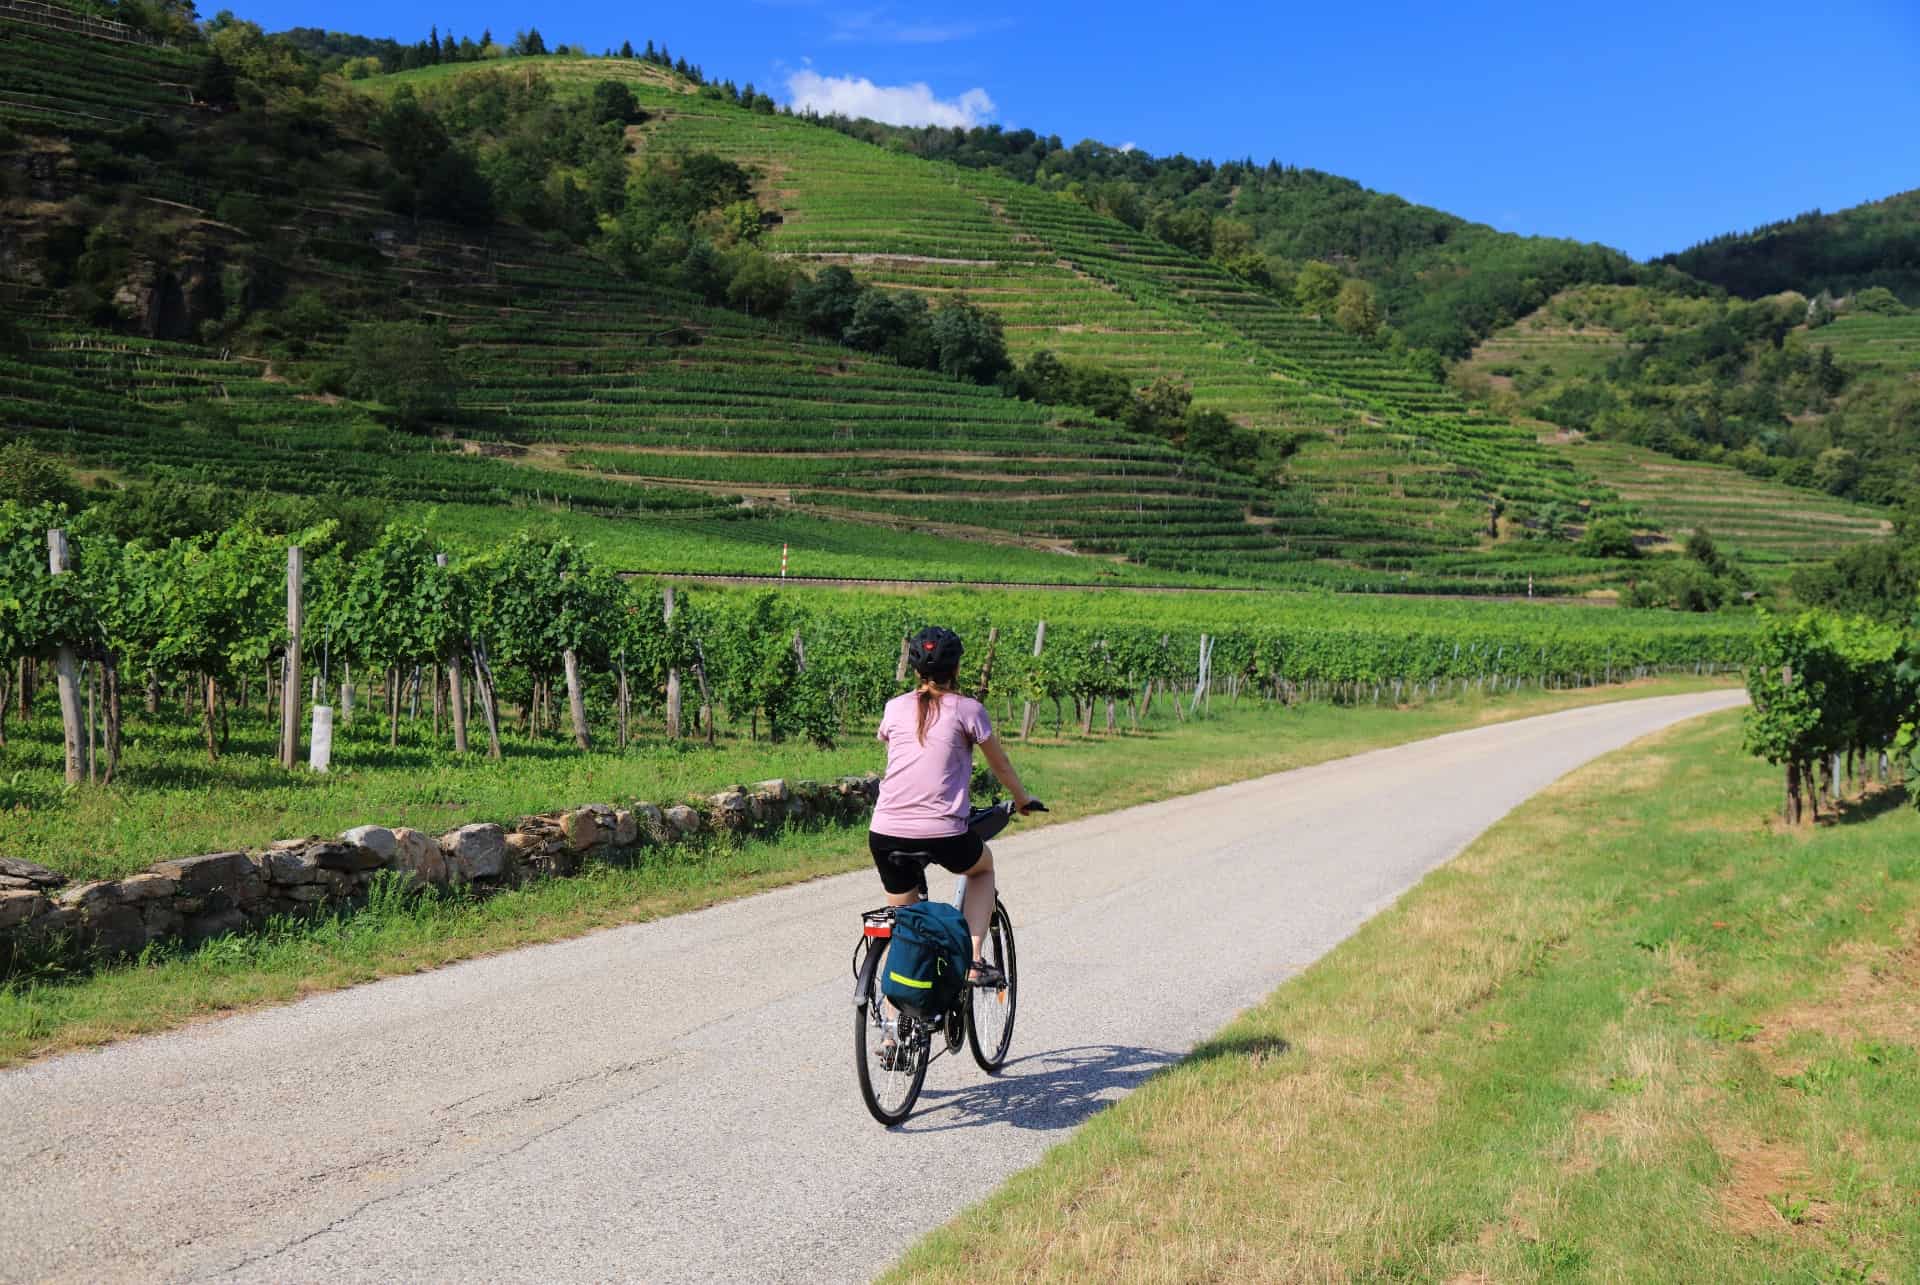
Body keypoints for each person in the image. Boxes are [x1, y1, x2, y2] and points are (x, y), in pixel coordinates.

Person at [869, 625, 1037, 981]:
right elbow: (1000, 764)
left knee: (906, 925)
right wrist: (1022, 800)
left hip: (884, 831)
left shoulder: (895, 707)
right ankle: (975, 961)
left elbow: (900, 753)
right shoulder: (968, 709)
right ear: (957, 669)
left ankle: (891, 1028)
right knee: (982, 869)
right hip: (941, 830)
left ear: (915, 671)